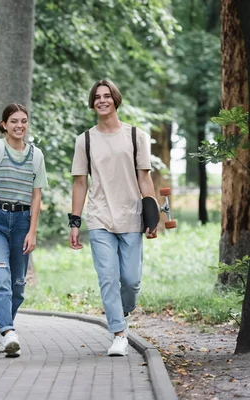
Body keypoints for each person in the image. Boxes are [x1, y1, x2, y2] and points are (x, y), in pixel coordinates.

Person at [69, 79, 156, 356]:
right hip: (99, 218)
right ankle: (118, 333)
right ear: (92, 103)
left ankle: (124, 309)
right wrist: (75, 221)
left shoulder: (136, 136)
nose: (102, 100)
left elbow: (145, 179)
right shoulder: (85, 140)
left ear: (115, 99)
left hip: (131, 216)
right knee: (108, 277)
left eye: (107, 96)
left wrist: (152, 217)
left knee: (130, 280)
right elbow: (80, 183)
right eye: (97, 97)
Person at [0, 103, 48, 358]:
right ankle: (8, 331)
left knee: (17, 287)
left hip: (22, 222)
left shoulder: (36, 155)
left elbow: (36, 197)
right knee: (0, 279)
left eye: (23, 121)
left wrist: (32, 231)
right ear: (4, 125)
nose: (19, 125)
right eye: (14, 121)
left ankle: (4, 331)